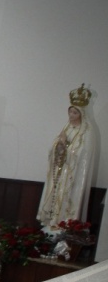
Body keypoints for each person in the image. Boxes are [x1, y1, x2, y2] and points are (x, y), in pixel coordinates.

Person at [37, 85, 99, 231]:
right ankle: (52, 222)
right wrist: (59, 144)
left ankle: (64, 224)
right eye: (70, 112)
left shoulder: (87, 133)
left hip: (72, 177)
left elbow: (82, 155)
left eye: (75, 113)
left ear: (82, 114)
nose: (71, 115)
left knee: (67, 201)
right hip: (59, 173)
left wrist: (65, 145)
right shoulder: (67, 128)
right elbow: (53, 149)